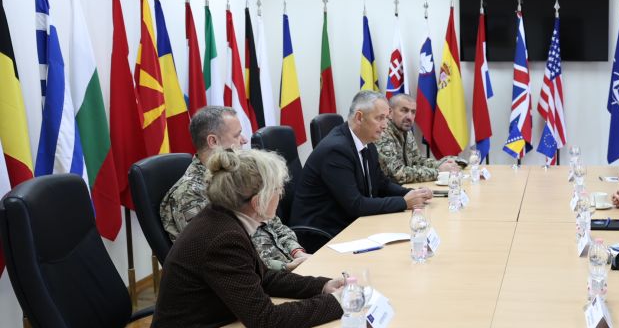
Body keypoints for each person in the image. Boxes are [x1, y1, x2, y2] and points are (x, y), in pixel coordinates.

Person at [145, 149, 349, 328]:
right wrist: (337, 303)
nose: (281, 195)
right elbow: (265, 320)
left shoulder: (224, 217)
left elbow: (263, 277)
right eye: (277, 189)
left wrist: (323, 286)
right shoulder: (223, 238)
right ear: (257, 202)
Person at [160, 106, 309, 271]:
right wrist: (285, 267)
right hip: (252, 275)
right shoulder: (189, 194)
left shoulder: (240, 174)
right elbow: (220, 256)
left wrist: (297, 252)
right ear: (213, 141)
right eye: (237, 135)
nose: (244, 140)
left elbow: (272, 221)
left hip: (286, 264)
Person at [290, 91, 432, 235]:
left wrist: (413, 194)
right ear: (359, 117)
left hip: (349, 224)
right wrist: (404, 202)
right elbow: (355, 205)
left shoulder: (368, 144)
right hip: (322, 233)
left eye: (386, 118)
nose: (385, 125)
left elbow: (382, 184)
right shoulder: (336, 150)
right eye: (380, 118)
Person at [377, 93, 460, 183]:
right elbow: (397, 174)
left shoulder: (406, 131)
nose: (409, 117)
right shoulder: (382, 133)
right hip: (386, 190)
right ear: (390, 113)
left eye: (413, 112)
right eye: (404, 111)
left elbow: (417, 160)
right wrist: (439, 172)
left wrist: (441, 165)